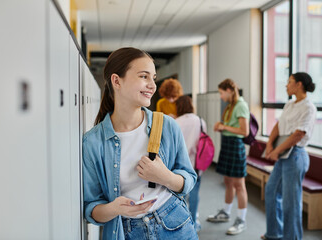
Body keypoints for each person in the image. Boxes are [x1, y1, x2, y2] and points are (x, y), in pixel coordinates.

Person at [82, 47, 198, 240]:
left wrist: (165, 177)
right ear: (116, 81)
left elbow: (189, 180)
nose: (152, 85)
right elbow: (91, 209)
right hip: (127, 231)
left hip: (175, 225)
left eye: (153, 77)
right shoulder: (93, 142)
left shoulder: (167, 125)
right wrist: (113, 208)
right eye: (144, 76)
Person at [261, 72, 316, 240]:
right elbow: (278, 126)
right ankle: (274, 233)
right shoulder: (289, 105)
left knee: (290, 203)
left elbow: (298, 135)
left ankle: (291, 238)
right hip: (283, 155)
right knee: (271, 191)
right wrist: (270, 144)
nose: (286, 85)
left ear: (299, 85)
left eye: (289, 82)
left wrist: (277, 151)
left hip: (295, 156)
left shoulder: (309, 107)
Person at [207, 78, 250, 235]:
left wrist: (224, 126)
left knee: (239, 185)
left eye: (221, 93)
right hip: (227, 144)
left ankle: (241, 220)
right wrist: (221, 126)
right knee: (228, 182)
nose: (220, 96)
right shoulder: (231, 105)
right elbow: (233, 126)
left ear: (230, 91)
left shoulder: (241, 105)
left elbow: (244, 132)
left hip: (235, 146)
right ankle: (226, 212)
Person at [175, 95, 207, 232]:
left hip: (178, 164)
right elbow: (203, 142)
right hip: (196, 164)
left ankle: (180, 223)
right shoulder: (200, 121)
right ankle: (193, 223)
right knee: (194, 193)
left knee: (179, 194)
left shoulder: (176, 122)